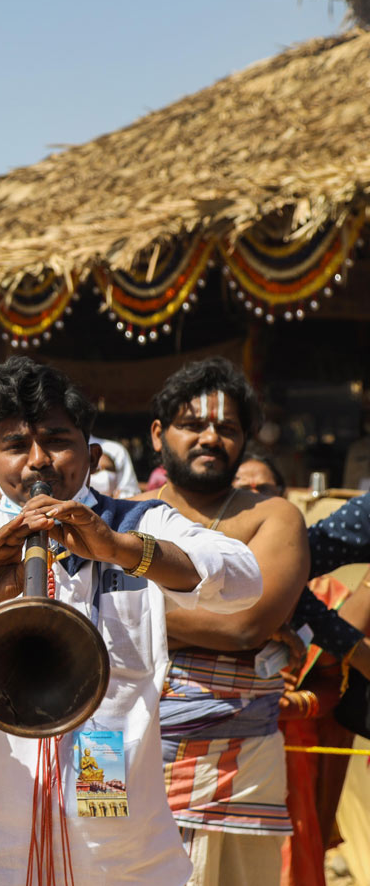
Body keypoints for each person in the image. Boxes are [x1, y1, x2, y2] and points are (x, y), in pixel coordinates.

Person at [0, 355, 262, 885]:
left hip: (120, 841)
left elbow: (245, 579)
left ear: (93, 453)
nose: (38, 460)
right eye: (15, 445)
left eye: (56, 439)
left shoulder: (141, 522)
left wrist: (121, 550)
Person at [141, 358, 307, 886]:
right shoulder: (122, 515)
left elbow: (246, 628)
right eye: (193, 424)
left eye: (227, 428)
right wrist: (215, 610)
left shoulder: (273, 515)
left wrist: (135, 609)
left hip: (237, 763)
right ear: (158, 434)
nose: (210, 437)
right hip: (116, 750)